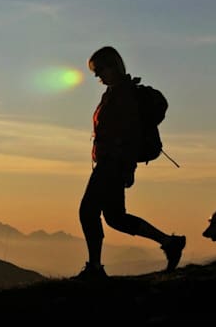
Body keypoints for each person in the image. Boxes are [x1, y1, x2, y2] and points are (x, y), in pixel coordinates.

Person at [76, 47, 185, 280]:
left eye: (100, 70)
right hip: (110, 163)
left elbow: (130, 135)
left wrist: (128, 168)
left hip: (112, 164)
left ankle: (94, 268)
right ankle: (170, 242)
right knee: (116, 218)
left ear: (113, 66)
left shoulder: (123, 95)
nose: (98, 77)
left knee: (88, 211)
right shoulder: (114, 93)